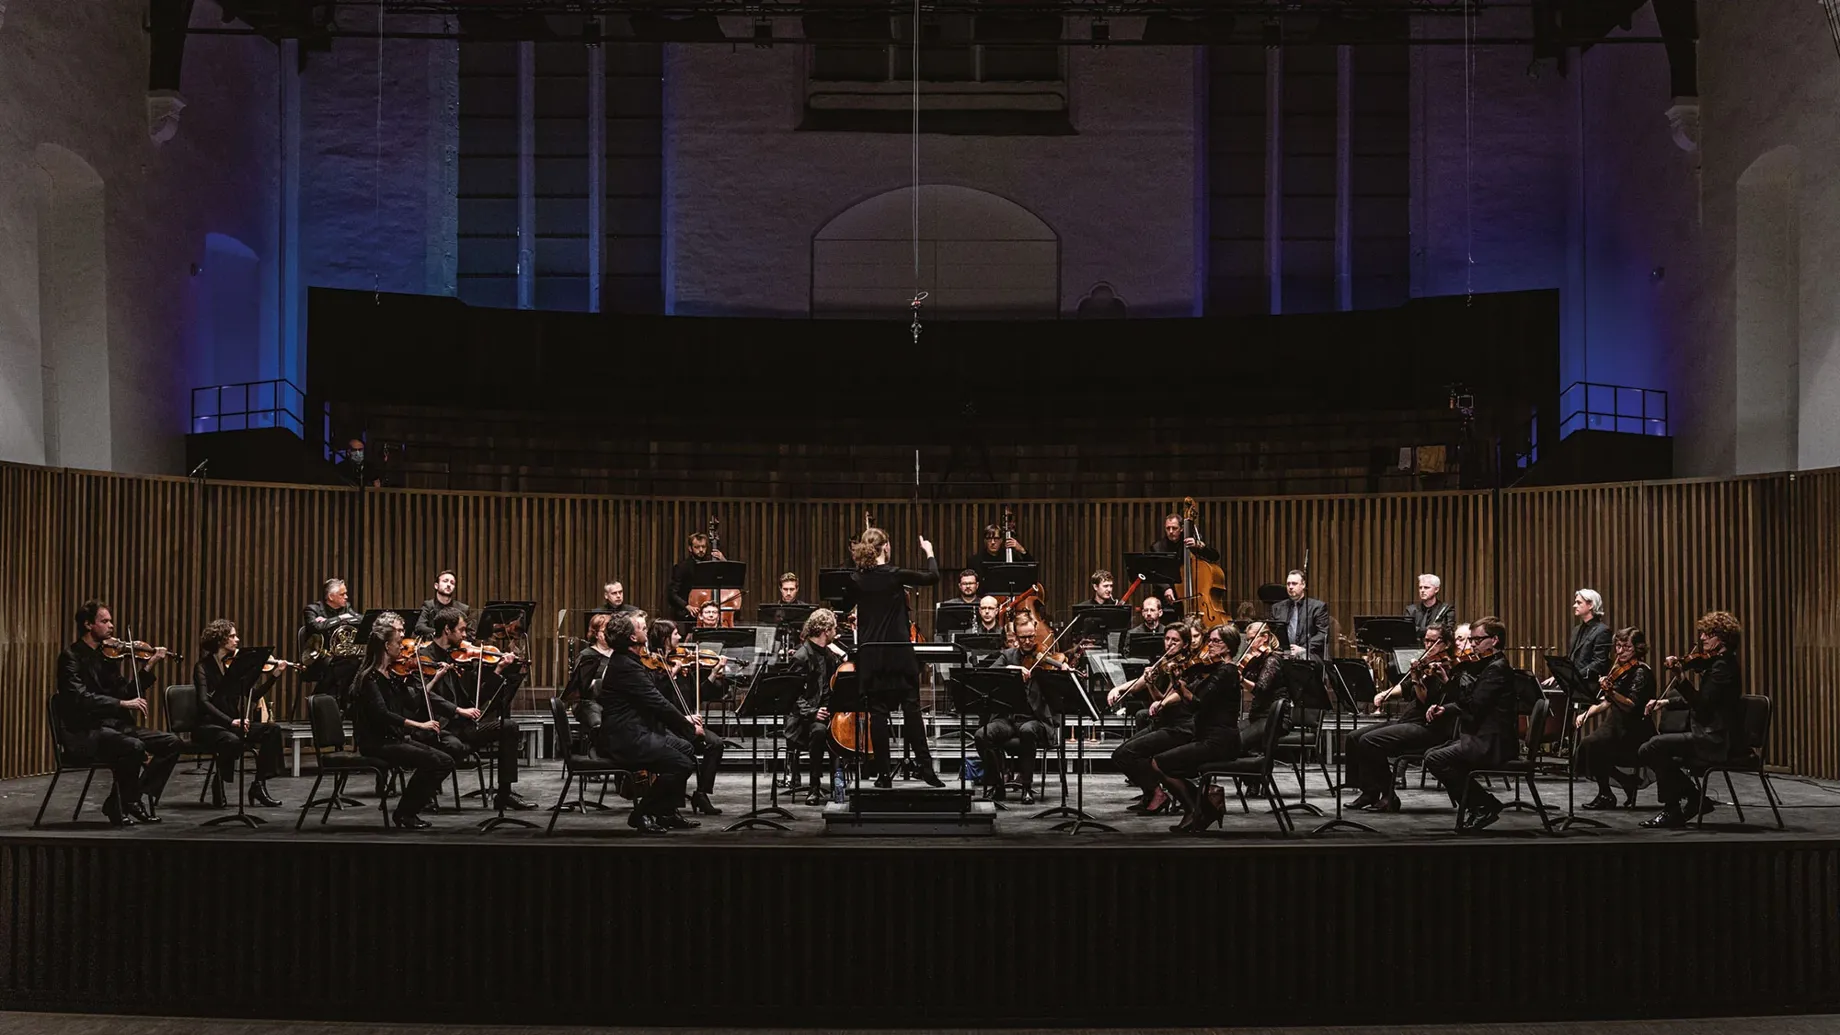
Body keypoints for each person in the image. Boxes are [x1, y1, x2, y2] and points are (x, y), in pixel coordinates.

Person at [52, 600, 180, 826]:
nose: (111, 626)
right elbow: (79, 699)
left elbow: (126, 692)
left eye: (110, 620)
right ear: (88, 624)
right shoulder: (70, 657)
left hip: (116, 727)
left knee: (172, 742)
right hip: (85, 731)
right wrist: (122, 704)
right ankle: (125, 802)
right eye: (105, 621)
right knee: (133, 746)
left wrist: (149, 667)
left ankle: (129, 799)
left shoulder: (108, 656)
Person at [840, 527, 945, 787]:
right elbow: (933, 576)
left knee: (877, 713)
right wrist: (929, 551)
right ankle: (927, 771)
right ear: (886, 547)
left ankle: (884, 775)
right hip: (898, 653)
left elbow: (842, 608)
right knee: (911, 710)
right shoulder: (895, 575)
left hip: (872, 655)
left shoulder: (857, 578)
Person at [412, 606, 537, 811]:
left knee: (509, 727)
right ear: (446, 630)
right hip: (436, 726)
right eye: (461, 630)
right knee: (454, 747)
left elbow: (477, 701)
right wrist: (457, 710)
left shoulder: (463, 658)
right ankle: (423, 794)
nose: (465, 635)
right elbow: (424, 695)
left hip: (463, 726)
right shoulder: (424, 657)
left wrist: (498, 670)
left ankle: (504, 795)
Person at [592, 610, 701, 834]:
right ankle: (641, 814)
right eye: (642, 628)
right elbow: (658, 704)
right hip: (625, 738)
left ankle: (667, 812)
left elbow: (654, 700)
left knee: (686, 749)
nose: (646, 631)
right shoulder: (626, 666)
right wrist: (689, 727)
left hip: (635, 731)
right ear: (632, 637)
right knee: (681, 764)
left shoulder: (629, 661)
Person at [1637, 611, 1746, 828]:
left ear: (1722, 639)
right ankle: (1693, 800)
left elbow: (1703, 706)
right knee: (1653, 747)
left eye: (1707, 634)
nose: (1702, 638)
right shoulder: (1718, 664)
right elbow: (1705, 700)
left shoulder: (1723, 668)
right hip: (1708, 733)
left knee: (1653, 748)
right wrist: (1665, 703)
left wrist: (1680, 677)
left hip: (1715, 739)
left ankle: (1676, 807)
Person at [349, 613, 454, 829]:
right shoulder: (369, 678)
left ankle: (407, 811)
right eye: (398, 643)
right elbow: (382, 715)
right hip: (376, 743)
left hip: (393, 739)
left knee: (445, 761)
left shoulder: (393, 675)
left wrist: (433, 678)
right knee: (434, 762)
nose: (402, 647)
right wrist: (419, 725)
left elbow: (414, 703)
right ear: (387, 646)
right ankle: (405, 813)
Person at [1422, 616, 1518, 830]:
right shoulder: (1487, 665)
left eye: (1477, 640)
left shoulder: (1497, 669)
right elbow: (1471, 704)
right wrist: (1444, 708)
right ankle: (1480, 804)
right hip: (1482, 736)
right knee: (1433, 755)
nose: (1472, 644)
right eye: (1472, 640)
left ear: (1493, 640)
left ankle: (1482, 805)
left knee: (1436, 758)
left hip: (1493, 742)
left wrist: (1453, 683)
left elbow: (1473, 707)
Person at [1347, 623, 1454, 813]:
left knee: (1370, 741)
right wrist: (1385, 693)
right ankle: (1369, 792)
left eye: (1432, 641)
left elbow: (1425, 700)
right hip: (1409, 722)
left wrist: (1415, 677)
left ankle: (1389, 795)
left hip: (1428, 727)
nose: (1427, 644)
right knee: (1354, 737)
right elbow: (1405, 689)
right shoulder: (1427, 664)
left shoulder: (1445, 669)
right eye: (1426, 640)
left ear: (1445, 644)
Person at [1149, 624, 1246, 833]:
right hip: (1207, 737)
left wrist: (1182, 688)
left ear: (1228, 647)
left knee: (1158, 763)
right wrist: (1177, 683)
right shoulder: (1216, 670)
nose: (1209, 644)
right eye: (1209, 640)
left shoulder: (1227, 672)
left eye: (1216, 641)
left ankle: (1196, 809)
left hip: (1219, 742)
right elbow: (1192, 703)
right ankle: (1204, 805)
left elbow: (1198, 702)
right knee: (1163, 762)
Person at [192, 619, 285, 808]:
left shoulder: (235, 666)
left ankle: (259, 785)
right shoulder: (202, 667)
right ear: (220, 640)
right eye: (232, 636)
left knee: (272, 730)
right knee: (231, 740)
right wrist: (230, 722)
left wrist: (274, 676)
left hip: (233, 723)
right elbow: (203, 702)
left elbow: (252, 694)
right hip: (208, 725)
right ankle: (219, 782)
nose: (237, 639)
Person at [972, 610, 1059, 804]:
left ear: (1035, 631)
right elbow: (990, 674)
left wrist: (1063, 669)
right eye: (1022, 638)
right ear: (1015, 637)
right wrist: (1013, 669)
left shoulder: (1044, 657)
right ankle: (998, 784)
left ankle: (1026, 787)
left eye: (1030, 636)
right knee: (982, 735)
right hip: (1008, 719)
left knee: (1027, 731)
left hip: (1035, 720)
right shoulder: (1007, 656)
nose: (1028, 642)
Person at [1108, 624, 1195, 814]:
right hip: (1162, 723)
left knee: (1129, 753)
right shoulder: (1164, 661)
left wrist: (1150, 685)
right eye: (1167, 639)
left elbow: (1162, 699)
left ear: (1186, 644)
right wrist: (1119, 688)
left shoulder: (1186, 667)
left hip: (1179, 727)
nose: (1170, 644)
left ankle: (1158, 794)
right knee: (1120, 754)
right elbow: (1141, 682)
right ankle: (1150, 792)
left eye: (1175, 640)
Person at [647, 618, 725, 816]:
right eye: (675, 634)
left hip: (686, 723)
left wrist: (714, 673)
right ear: (665, 638)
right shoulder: (653, 667)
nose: (680, 637)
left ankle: (701, 794)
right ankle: (672, 807)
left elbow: (701, 693)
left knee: (715, 743)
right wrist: (671, 674)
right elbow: (656, 701)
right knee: (684, 750)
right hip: (665, 726)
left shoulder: (682, 664)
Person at [1573, 626, 1656, 810]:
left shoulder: (1641, 672)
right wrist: (1586, 713)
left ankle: (1608, 794)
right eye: (1617, 646)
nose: (1620, 651)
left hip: (1634, 728)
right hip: (1615, 724)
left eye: (1626, 647)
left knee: (1593, 746)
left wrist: (1611, 691)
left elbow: (1631, 704)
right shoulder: (1621, 669)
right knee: (1588, 746)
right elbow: (1606, 702)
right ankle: (1621, 784)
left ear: (1638, 648)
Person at [786, 608, 843, 805]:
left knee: (839, 729)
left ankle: (839, 784)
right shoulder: (801, 656)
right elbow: (791, 696)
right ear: (826, 630)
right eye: (834, 628)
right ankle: (814, 787)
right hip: (804, 720)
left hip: (827, 712)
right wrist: (813, 712)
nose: (836, 632)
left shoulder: (829, 655)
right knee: (819, 731)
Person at [301, 578, 362, 709]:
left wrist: (328, 622)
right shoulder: (312, 610)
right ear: (331, 596)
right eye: (342, 594)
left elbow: (360, 619)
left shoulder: (346, 607)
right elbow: (315, 627)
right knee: (350, 664)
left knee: (357, 662)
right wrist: (339, 619)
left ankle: (331, 699)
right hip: (318, 657)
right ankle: (328, 699)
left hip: (341, 656)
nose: (346, 597)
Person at [1147, 513, 1221, 604]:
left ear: (1181, 528)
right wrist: (1166, 588)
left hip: (1193, 594)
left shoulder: (1191, 543)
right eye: (1168, 528)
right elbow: (1154, 572)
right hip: (1168, 598)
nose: (1170, 531)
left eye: (1174, 528)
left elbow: (1215, 556)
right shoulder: (1157, 548)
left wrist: (1200, 545)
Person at [1547, 588, 1612, 689]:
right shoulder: (1576, 630)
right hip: (1572, 681)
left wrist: (1572, 677)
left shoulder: (1602, 631)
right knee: (1543, 689)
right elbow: (1571, 659)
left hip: (1587, 684)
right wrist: (1559, 676)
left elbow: (1599, 663)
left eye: (1578, 602)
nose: (1574, 605)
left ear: (1590, 605)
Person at [1269, 569, 1330, 661]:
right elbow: (1272, 632)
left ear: (1303, 585)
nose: (1290, 587)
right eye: (1288, 584)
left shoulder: (1317, 607)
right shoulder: (1277, 608)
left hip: (1309, 654)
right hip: (1283, 654)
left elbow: (1323, 633)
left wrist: (1303, 648)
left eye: (1294, 583)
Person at [667, 531, 726, 623]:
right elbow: (672, 594)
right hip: (689, 614)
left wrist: (723, 561)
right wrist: (687, 606)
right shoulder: (682, 567)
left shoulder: (712, 564)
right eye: (697, 547)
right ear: (690, 548)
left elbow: (728, 578)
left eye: (703, 547)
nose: (701, 550)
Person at [965, 523, 1031, 581]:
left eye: (996, 539)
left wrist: (1022, 550)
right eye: (989, 539)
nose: (993, 542)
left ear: (1001, 540)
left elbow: (1030, 570)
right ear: (985, 541)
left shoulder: (1011, 557)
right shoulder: (975, 561)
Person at [413, 569, 467, 638]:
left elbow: (470, 633)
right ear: (436, 586)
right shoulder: (428, 605)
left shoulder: (463, 609)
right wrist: (442, 633)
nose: (448, 585)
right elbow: (419, 627)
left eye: (452, 583)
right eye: (445, 581)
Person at [1406, 574, 1455, 639]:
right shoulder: (1411, 610)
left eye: (1426, 587)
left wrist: (1419, 630)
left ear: (1436, 589)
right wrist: (1432, 631)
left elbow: (1448, 632)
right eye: (1420, 587)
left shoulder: (1447, 609)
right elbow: (1408, 631)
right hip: (1414, 647)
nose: (1422, 590)